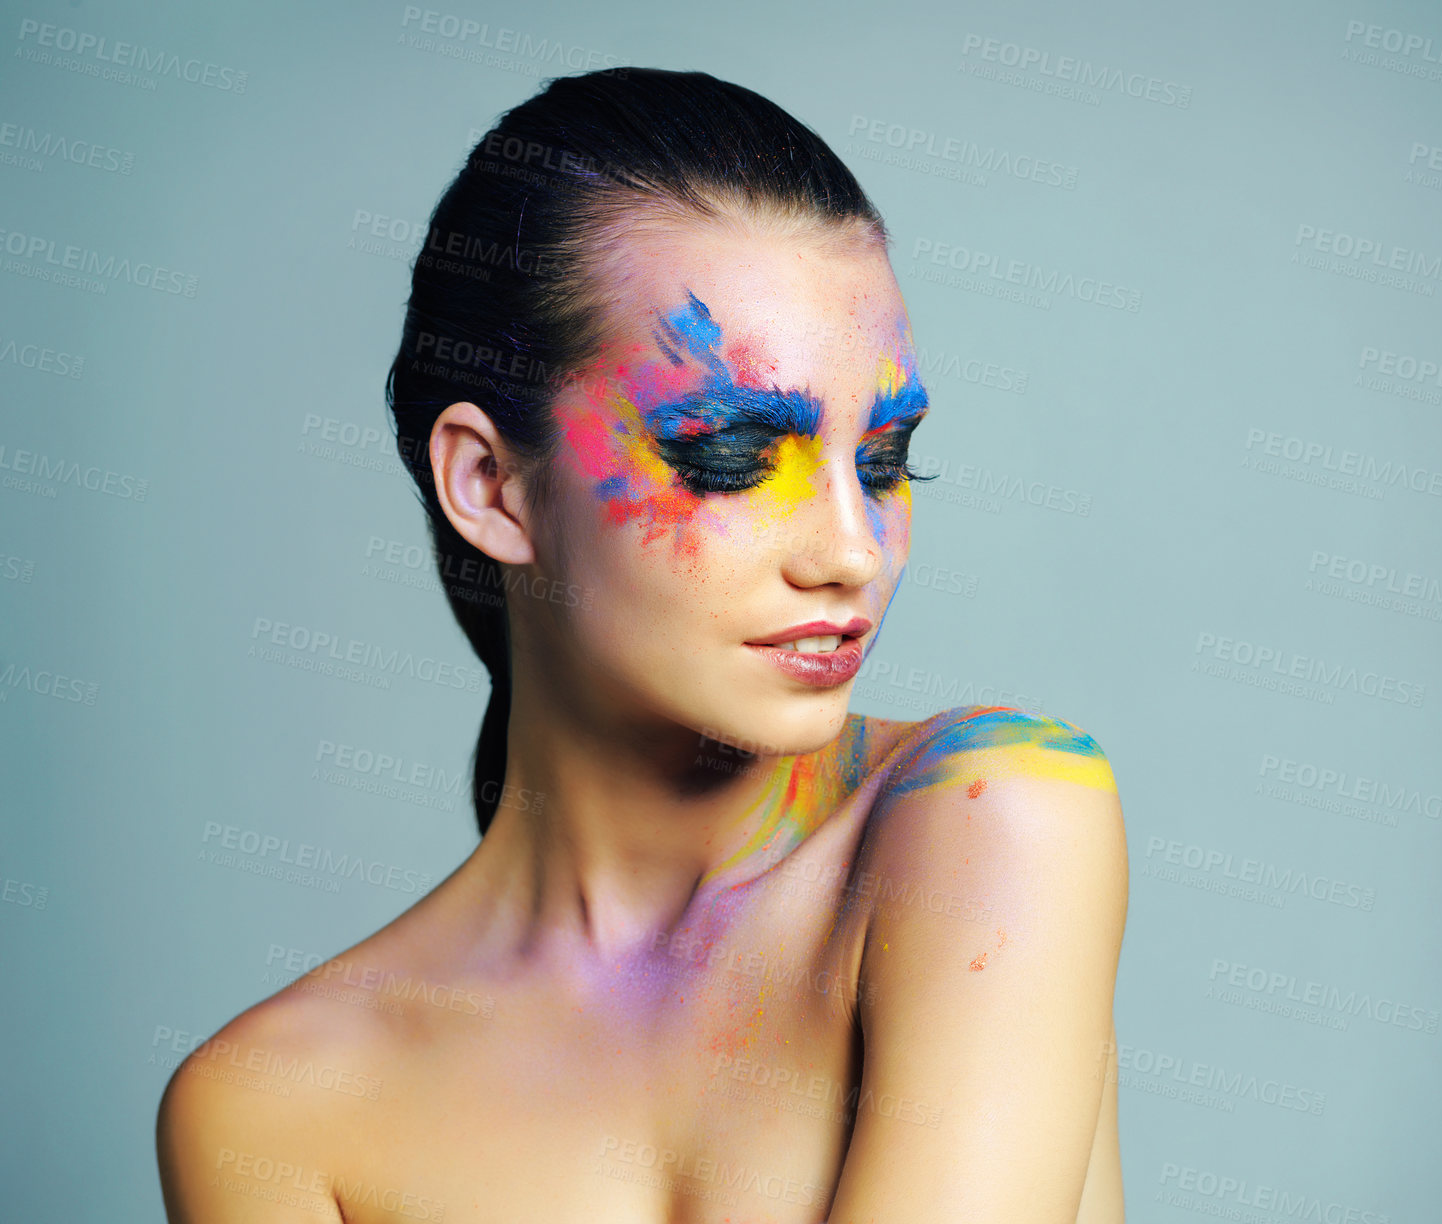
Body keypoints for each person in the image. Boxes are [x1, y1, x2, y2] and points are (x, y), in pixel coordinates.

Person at [155, 67, 1128, 1223]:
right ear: (490, 484)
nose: (853, 552)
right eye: (727, 456)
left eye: (883, 460)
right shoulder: (272, 1107)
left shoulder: (991, 818)